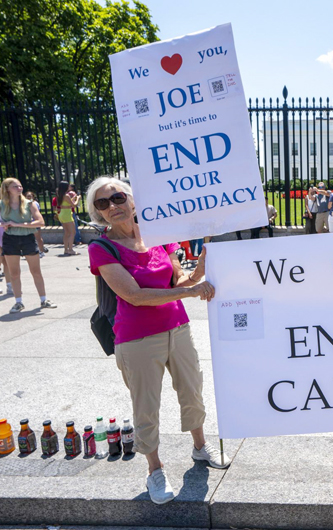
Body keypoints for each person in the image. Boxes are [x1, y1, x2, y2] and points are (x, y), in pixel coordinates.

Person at [85, 176, 228, 505]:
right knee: (146, 407)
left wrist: (202, 264)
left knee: (192, 390)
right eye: (103, 203)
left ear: (132, 200)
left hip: (178, 327)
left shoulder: (157, 237)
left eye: (118, 197)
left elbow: (180, 278)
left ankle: (199, 447)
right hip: (136, 338)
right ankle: (154, 469)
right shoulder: (101, 248)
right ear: (98, 213)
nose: (113, 206)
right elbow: (133, 296)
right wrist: (190, 291)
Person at [0, 178, 57, 313]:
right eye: (15, 186)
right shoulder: (0, 204)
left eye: (20, 186)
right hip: (10, 239)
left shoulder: (29, 203)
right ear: (7, 189)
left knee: (36, 271)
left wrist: (18, 224)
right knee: (14, 273)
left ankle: (44, 299)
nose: (19, 188)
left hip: (28, 238)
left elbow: (40, 222)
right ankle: (18, 302)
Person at [55, 181, 80, 255]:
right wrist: (78, 198)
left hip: (62, 214)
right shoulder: (66, 195)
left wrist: (73, 198)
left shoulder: (59, 194)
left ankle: (66, 249)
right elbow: (74, 205)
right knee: (72, 232)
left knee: (66, 232)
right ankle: (70, 249)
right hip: (67, 214)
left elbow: (67, 203)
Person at [25, 191, 48, 257]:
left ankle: (41, 251)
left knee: (38, 238)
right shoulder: (25, 204)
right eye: (27, 196)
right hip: (28, 223)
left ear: (33, 197)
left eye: (30, 196)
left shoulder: (34, 204)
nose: (28, 198)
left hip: (35, 223)